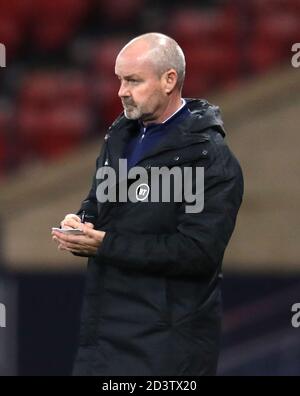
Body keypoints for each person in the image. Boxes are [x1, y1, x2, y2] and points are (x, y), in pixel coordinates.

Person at [52, 32, 243, 376]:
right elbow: (100, 201)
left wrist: (106, 244)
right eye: (119, 80)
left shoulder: (209, 158)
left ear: (169, 80)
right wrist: (82, 221)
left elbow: (197, 253)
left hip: (167, 347)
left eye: (133, 80)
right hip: (103, 336)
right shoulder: (120, 135)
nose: (121, 91)